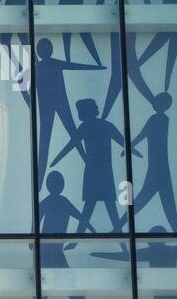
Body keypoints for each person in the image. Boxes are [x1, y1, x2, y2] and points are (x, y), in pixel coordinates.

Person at [28, 172, 101, 299]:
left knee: (49, 287)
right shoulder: (55, 202)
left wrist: (93, 229)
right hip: (49, 249)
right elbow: (81, 218)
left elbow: (81, 218)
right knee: (62, 285)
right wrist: (31, 239)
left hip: (52, 249)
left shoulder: (59, 202)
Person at [50, 97, 129, 233]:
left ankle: (80, 238)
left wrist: (56, 159)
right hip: (103, 173)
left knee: (91, 207)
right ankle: (122, 244)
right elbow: (124, 142)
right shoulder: (104, 125)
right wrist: (56, 159)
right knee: (107, 207)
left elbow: (71, 145)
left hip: (94, 173)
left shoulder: (87, 127)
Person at [35, 38, 100, 182]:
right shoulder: (39, 67)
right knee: (67, 137)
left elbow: (75, 66)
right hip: (51, 106)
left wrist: (96, 68)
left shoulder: (40, 66)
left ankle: (38, 181)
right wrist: (96, 67)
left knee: (70, 136)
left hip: (57, 104)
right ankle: (38, 181)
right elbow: (75, 66)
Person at [131, 92, 177, 233]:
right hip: (159, 165)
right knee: (164, 201)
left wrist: (130, 146)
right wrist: (130, 146)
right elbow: (143, 134)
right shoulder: (161, 119)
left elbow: (143, 134)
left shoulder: (158, 120)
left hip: (158, 166)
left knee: (148, 200)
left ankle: (119, 227)